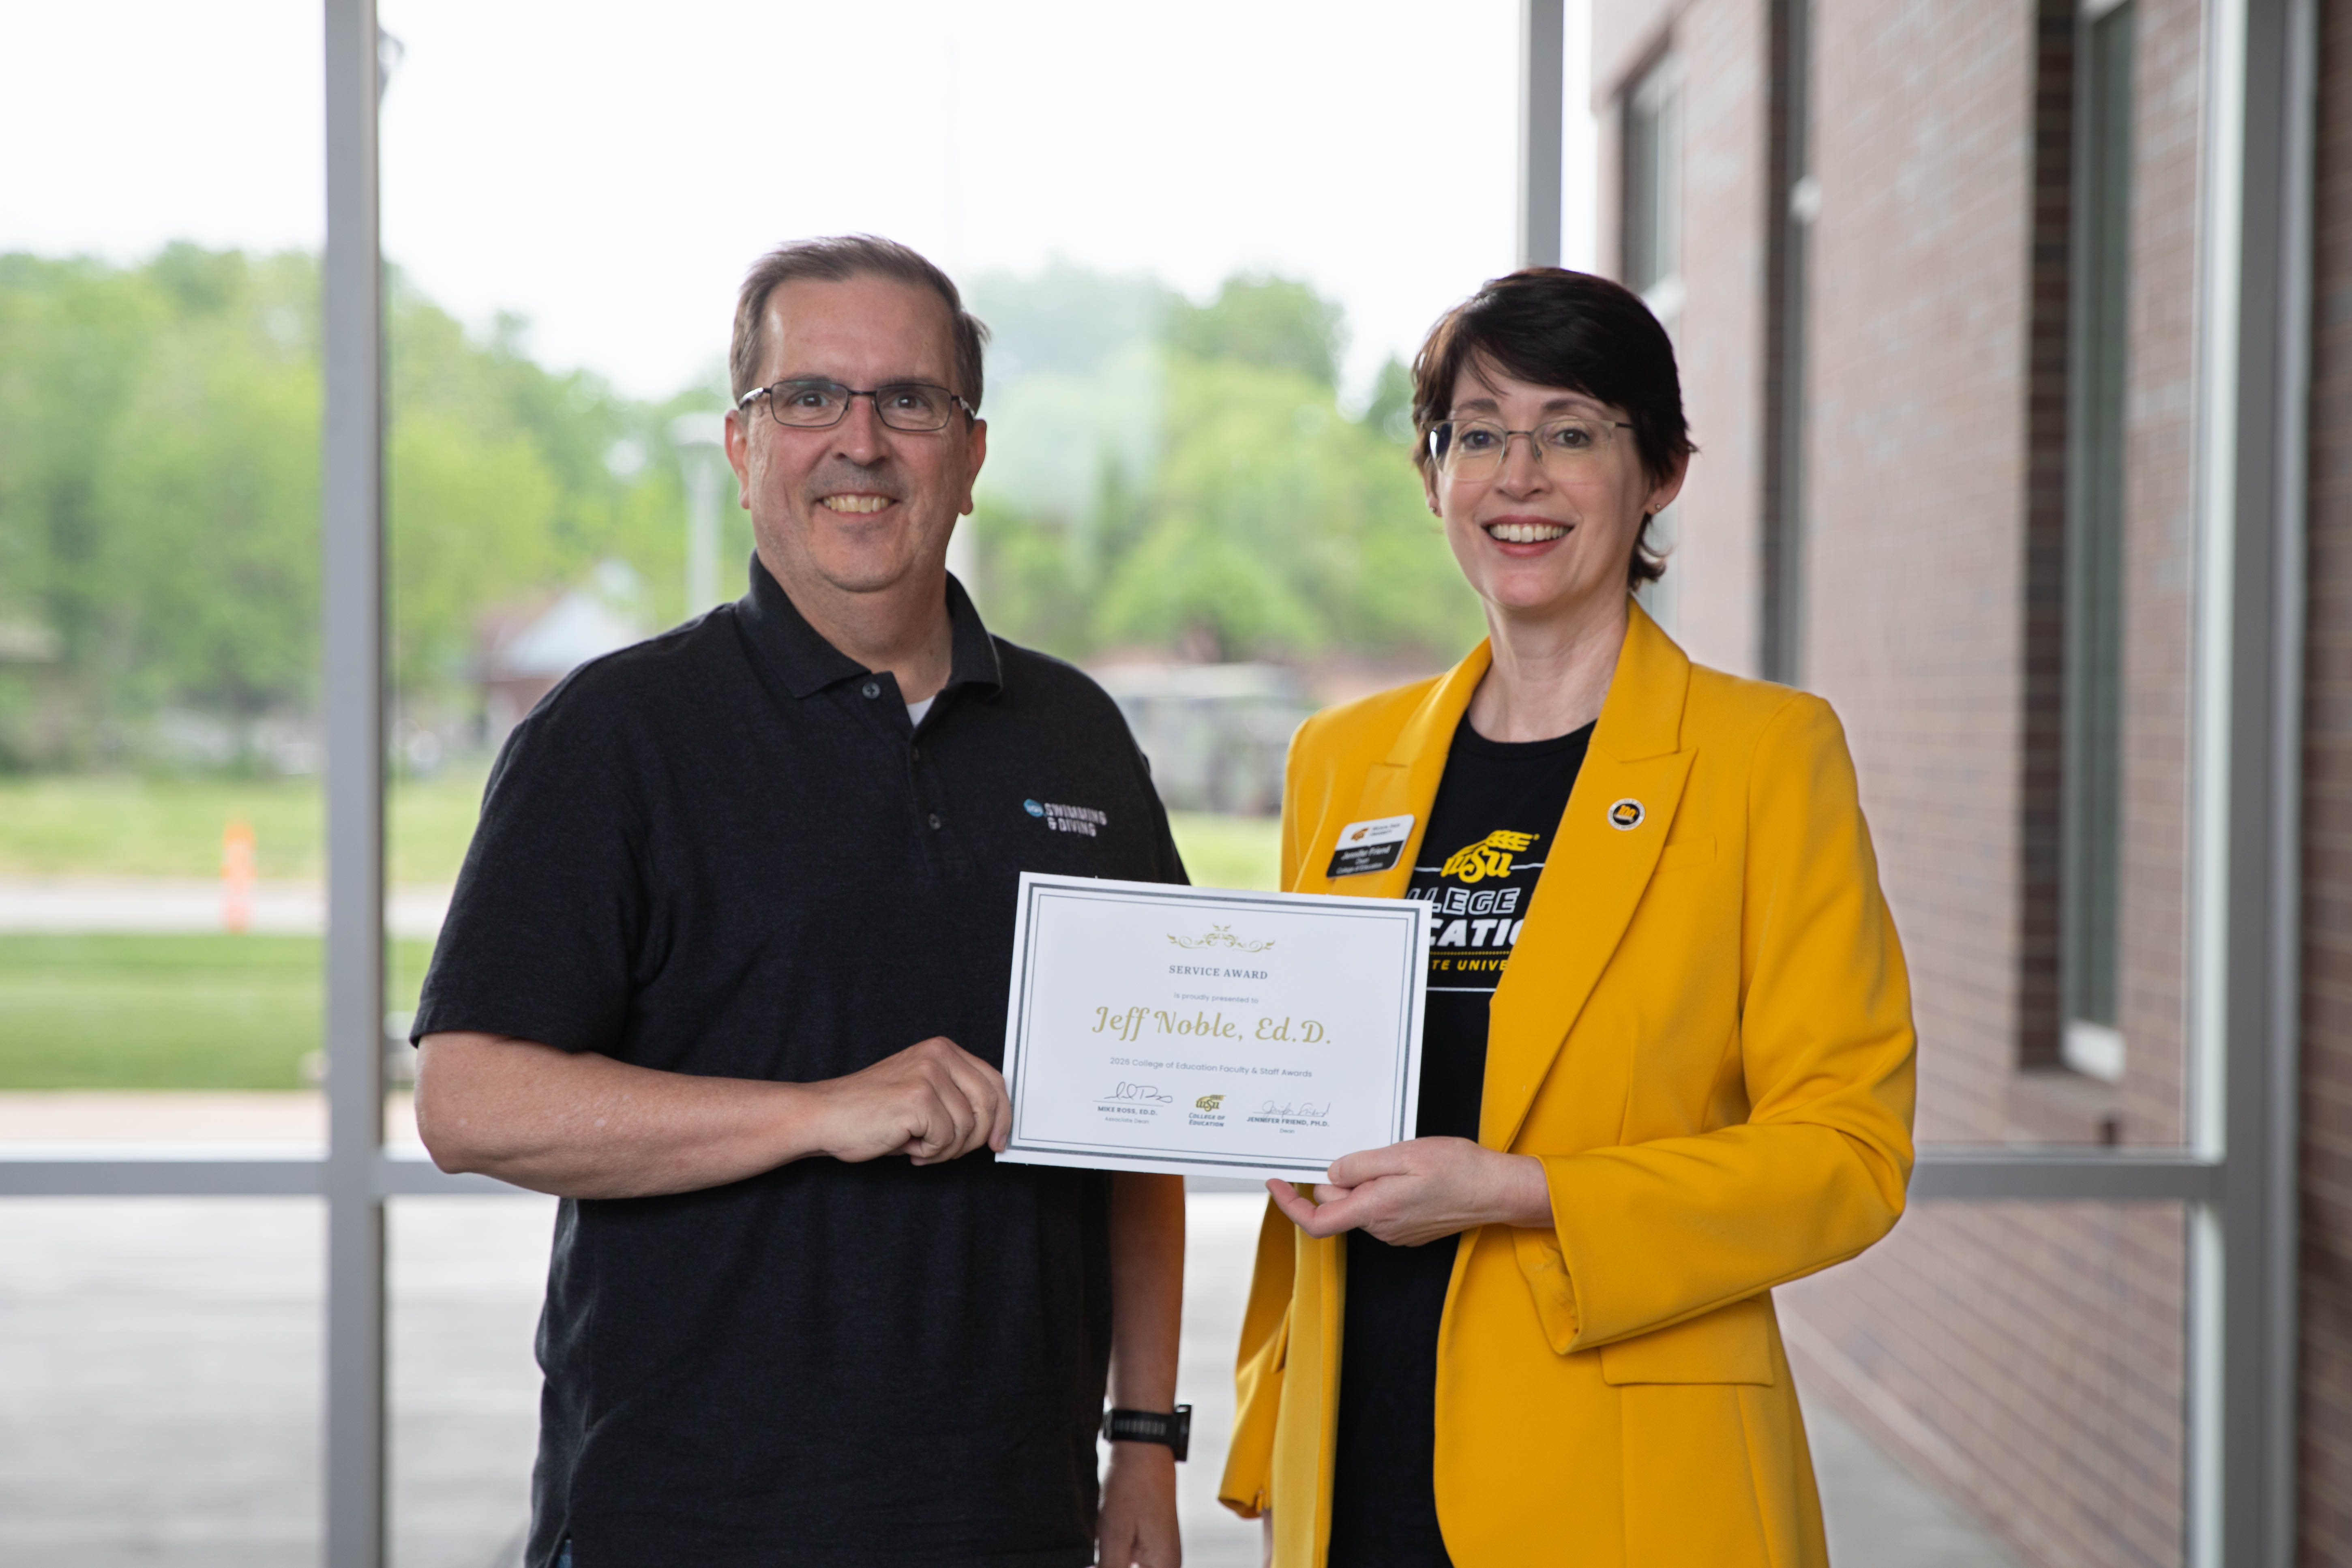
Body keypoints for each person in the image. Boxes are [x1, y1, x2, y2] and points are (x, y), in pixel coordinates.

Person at [413, 235, 1188, 1568]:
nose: (860, 442)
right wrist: (819, 1112)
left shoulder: (1075, 735)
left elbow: (1141, 1122)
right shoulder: (617, 734)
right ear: (743, 443)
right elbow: (468, 1099)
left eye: (909, 400)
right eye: (810, 396)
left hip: (1009, 1515)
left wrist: (1145, 1442)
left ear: (971, 454)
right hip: (683, 1517)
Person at [1216, 268, 1916, 1568]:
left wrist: (1520, 1191)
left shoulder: (1765, 758)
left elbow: (1847, 1155)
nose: (1517, 476)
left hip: (1629, 1480)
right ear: (1433, 477)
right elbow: (1299, 1093)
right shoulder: (1341, 760)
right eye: (1477, 433)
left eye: (1571, 431)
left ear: (1660, 473)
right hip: (1356, 1458)